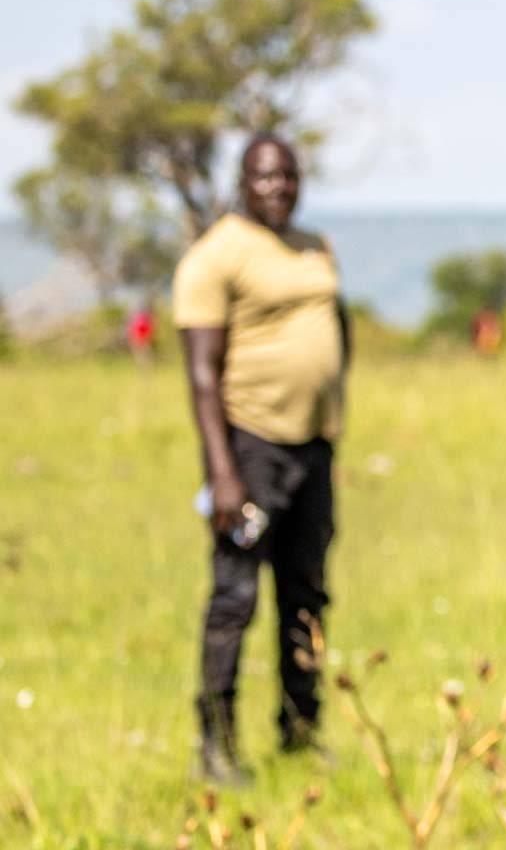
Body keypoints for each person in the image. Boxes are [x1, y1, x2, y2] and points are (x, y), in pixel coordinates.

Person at [173, 135, 351, 784]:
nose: (279, 187)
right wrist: (223, 473)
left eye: (289, 176)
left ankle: (300, 733)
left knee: (306, 596)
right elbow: (200, 374)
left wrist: (331, 421)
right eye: (265, 177)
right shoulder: (214, 256)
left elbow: (339, 333)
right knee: (235, 598)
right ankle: (215, 747)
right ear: (243, 182)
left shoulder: (315, 247)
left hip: (313, 446)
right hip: (249, 448)